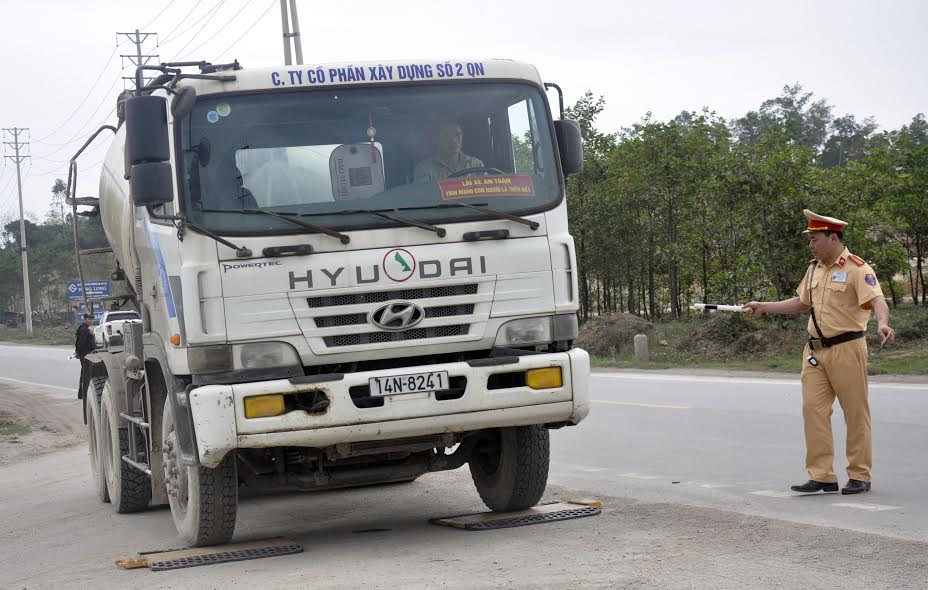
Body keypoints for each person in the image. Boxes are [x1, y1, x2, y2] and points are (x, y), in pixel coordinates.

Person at [743, 209, 894, 496]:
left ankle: (859, 475)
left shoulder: (857, 268)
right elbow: (801, 303)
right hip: (814, 351)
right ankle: (822, 475)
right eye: (810, 239)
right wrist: (763, 306)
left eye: (815, 239)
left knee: (855, 414)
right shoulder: (814, 268)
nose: (811, 245)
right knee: (813, 411)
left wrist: (883, 324)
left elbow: (878, 301)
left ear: (833, 238)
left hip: (847, 349)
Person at [413, 120, 484, 182]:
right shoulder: (424, 169)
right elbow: (424, 196)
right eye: (446, 136)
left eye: (458, 135)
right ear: (436, 140)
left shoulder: (476, 165)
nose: (454, 141)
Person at [74, 313, 96, 399]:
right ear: (85, 319)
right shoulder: (84, 330)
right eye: (89, 319)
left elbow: (78, 342)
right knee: (85, 374)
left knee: (84, 373)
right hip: (85, 354)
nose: (90, 321)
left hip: (84, 354)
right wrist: (78, 352)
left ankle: (81, 394)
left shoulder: (82, 328)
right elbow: (81, 343)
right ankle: (82, 394)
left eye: (91, 319)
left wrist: (77, 352)